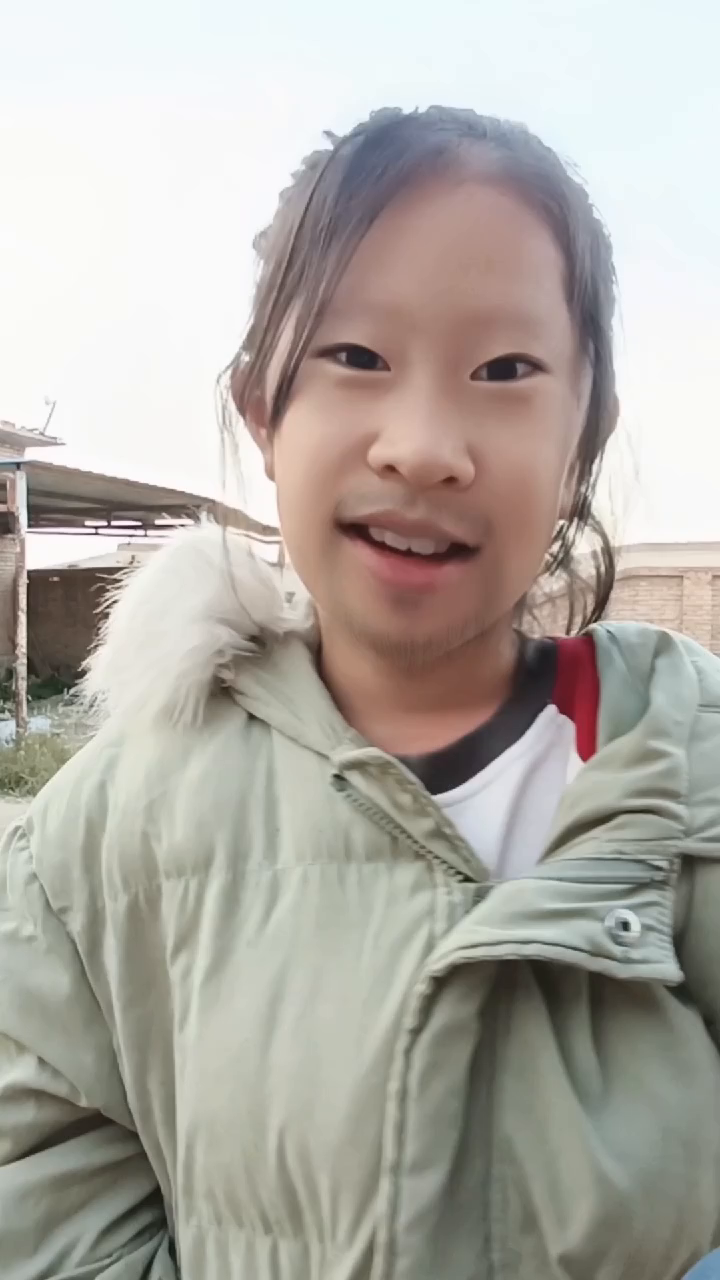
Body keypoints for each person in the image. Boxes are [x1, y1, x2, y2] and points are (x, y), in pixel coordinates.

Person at [0, 106, 719, 1280]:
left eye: (506, 370)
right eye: (356, 356)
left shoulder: (687, 775)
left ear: (585, 431)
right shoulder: (102, 839)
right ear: (263, 411)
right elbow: (44, 1185)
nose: (423, 445)